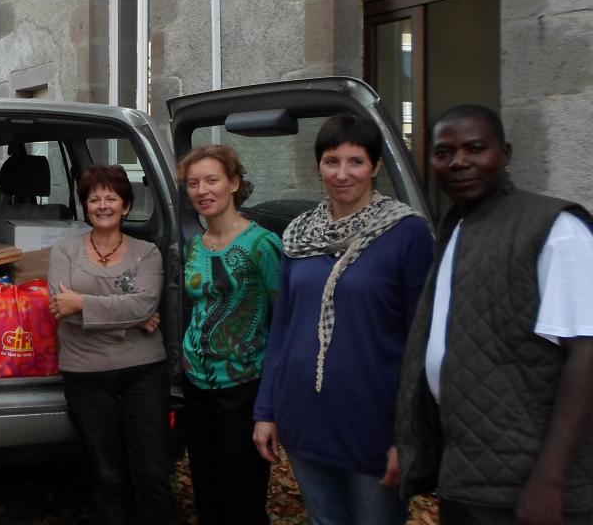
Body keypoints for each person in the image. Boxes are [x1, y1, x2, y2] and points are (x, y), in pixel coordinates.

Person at [396, 104, 593, 525]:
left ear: (504, 153)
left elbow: (586, 354)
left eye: (475, 148)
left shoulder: (556, 229)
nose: (459, 162)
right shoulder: (457, 228)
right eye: (444, 152)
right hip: (468, 478)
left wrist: (550, 481)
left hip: (531, 489)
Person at [253, 114, 432, 525]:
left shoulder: (406, 234)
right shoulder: (299, 234)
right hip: (306, 420)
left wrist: (409, 437)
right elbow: (282, 327)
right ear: (319, 165)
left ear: (376, 167)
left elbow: (419, 342)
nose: (343, 173)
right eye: (332, 161)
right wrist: (266, 410)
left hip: (373, 426)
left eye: (356, 162)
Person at [48, 165, 174, 525]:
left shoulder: (147, 252)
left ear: (127, 206)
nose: (103, 205)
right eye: (94, 198)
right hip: (85, 373)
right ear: (85, 206)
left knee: (152, 474)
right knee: (107, 476)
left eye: (112, 198)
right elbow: (61, 309)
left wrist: (85, 303)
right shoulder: (64, 251)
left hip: (143, 372)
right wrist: (132, 318)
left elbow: (145, 303)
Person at [177, 145, 282, 525]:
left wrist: (271, 402)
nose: (202, 190)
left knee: (243, 498)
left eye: (211, 180)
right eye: (193, 183)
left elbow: (282, 319)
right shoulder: (195, 245)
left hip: (243, 386)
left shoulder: (262, 244)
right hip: (198, 384)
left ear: (234, 183)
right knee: (207, 493)